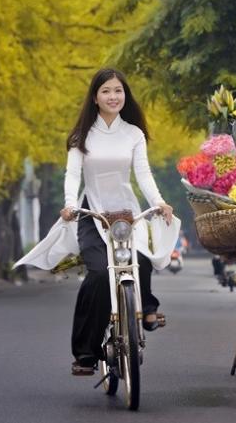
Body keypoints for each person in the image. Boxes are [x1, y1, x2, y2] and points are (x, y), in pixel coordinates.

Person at [59, 68, 174, 376]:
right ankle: (85, 354)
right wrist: (70, 205)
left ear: (126, 95)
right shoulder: (81, 136)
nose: (113, 96)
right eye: (106, 91)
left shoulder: (133, 134)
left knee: (143, 259)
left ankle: (147, 309)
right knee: (98, 275)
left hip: (125, 212)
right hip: (92, 214)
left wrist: (158, 203)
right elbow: (72, 175)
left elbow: (144, 174)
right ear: (95, 97)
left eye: (118, 90)